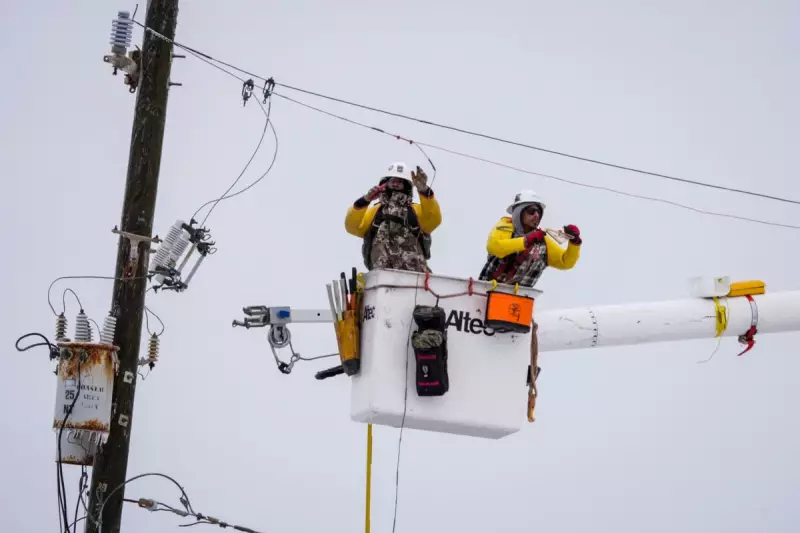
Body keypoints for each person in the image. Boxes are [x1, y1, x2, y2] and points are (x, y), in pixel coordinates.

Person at [478, 189, 582, 422]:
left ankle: (513, 389)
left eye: (539, 212)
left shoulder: (542, 241)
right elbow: (496, 247)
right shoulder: (505, 227)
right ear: (519, 213)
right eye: (531, 211)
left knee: (513, 351)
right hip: (488, 297)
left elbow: (565, 262)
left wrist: (575, 244)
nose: (536, 216)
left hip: (517, 304)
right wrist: (526, 240)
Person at [345, 161, 442, 273]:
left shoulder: (415, 211)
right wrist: (365, 200)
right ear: (384, 184)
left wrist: (424, 190)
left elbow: (434, 220)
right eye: (393, 181)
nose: (396, 184)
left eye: (400, 182)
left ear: (406, 186)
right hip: (383, 279)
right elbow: (352, 226)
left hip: (414, 278)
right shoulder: (375, 212)